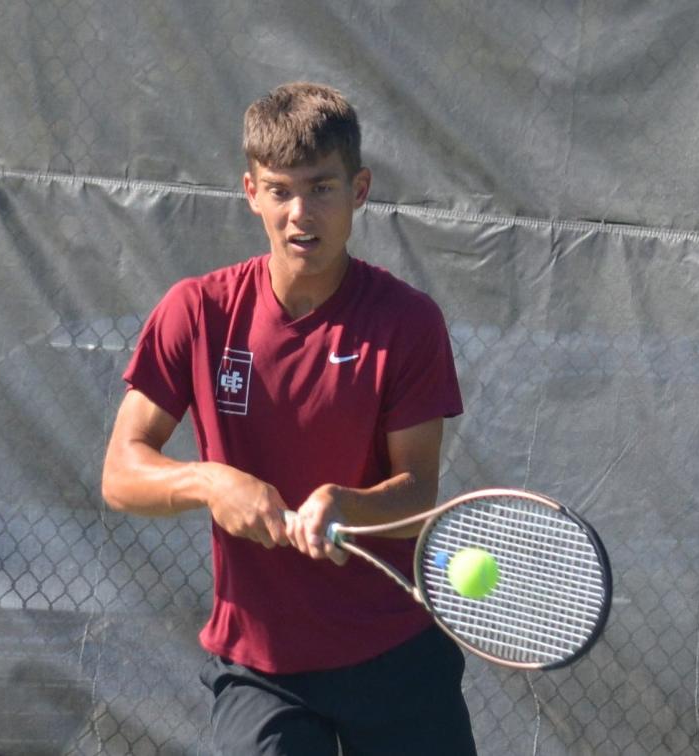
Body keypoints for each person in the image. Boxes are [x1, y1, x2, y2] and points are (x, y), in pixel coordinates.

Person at [102, 82, 476, 755]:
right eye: (280, 190)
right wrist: (211, 482)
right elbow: (122, 472)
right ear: (251, 192)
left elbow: (418, 491)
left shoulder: (409, 323)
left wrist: (345, 504)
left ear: (358, 190)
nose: (300, 213)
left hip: (395, 653)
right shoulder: (197, 311)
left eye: (321, 188)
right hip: (262, 669)